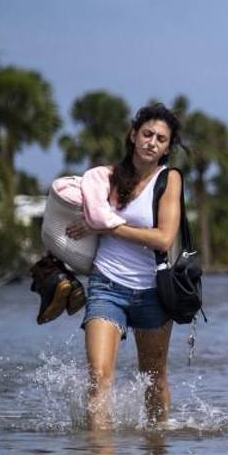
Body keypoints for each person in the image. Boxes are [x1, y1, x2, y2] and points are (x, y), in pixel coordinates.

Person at [66, 104, 185, 429]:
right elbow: (79, 213)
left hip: (153, 292)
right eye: (147, 134)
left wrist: (107, 225)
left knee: (154, 379)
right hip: (106, 286)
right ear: (133, 135)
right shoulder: (107, 178)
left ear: (167, 147)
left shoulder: (169, 179)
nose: (152, 142)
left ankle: (157, 451)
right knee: (99, 376)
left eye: (161, 139)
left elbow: (163, 238)